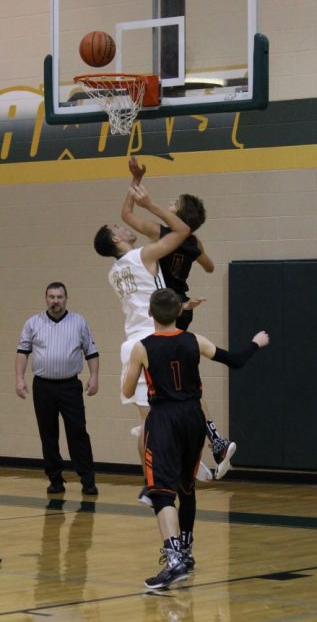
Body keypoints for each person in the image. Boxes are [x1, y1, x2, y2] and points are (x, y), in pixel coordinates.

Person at [123, 287, 270, 589]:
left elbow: (126, 391)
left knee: (161, 492)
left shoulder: (142, 347)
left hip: (163, 418)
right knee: (186, 488)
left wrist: (137, 371)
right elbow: (236, 361)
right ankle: (186, 553)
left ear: (150, 313)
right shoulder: (194, 340)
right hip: (194, 417)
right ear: (179, 313)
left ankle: (174, 558)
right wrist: (255, 343)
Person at [93, 171, 209, 501]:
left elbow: (149, 297)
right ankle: (196, 453)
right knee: (174, 404)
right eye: (117, 229)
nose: (122, 227)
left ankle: (155, 479)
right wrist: (152, 204)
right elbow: (183, 232)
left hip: (134, 342)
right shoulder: (143, 256)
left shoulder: (115, 272)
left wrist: (134, 181)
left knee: (151, 418)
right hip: (152, 342)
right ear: (115, 240)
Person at [123, 156, 236, 481]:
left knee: (176, 388)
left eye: (174, 203)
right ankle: (211, 440)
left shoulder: (162, 233)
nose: (168, 204)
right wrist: (196, 252)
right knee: (183, 383)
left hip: (167, 312)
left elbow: (127, 216)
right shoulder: (193, 241)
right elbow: (211, 267)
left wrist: (137, 186)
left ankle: (185, 441)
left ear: (177, 214)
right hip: (180, 308)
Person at [15, 282, 99, 496]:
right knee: (48, 433)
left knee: (78, 432)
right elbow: (23, 352)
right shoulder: (33, 323)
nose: (55, 301)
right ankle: (55, 479)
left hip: (70, 385)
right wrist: (19, 378)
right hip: (43, 386)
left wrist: (94, 377)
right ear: (46, 299)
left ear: (66, 298)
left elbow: (91, 352)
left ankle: (87, 480)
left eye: (59, 297)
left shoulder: (79, 322)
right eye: (51, 297)